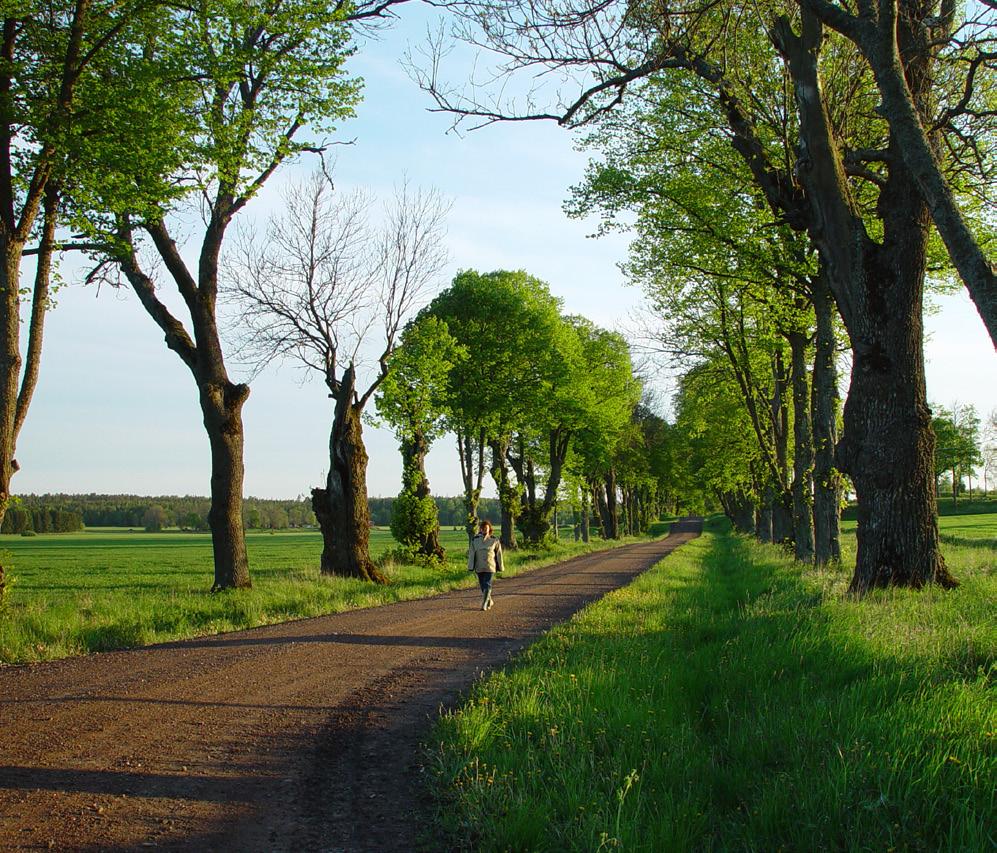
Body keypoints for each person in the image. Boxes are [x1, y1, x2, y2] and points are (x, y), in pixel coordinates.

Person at [467, 519, 503, 610]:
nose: (484, 529)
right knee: (482, 585)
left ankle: (484, 604)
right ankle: (489, 600)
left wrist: (500, 566)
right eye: (483, 528)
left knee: (487, 583)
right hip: (479, 567)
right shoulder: (475, 540)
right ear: (480, 529)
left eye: (486, 528)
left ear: (489, 529)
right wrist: (470, 566)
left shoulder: (494, 540)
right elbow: (471, 554)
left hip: (490, 566)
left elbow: (499, 554)